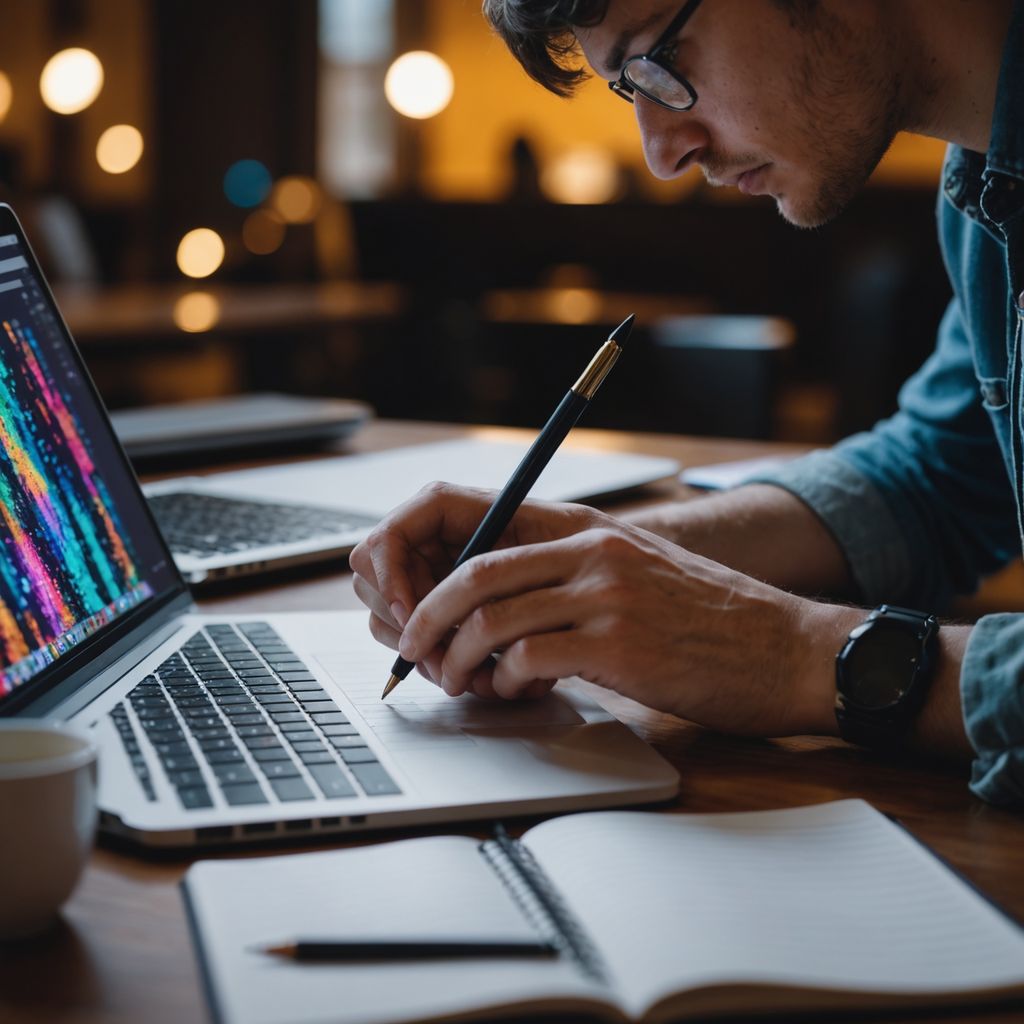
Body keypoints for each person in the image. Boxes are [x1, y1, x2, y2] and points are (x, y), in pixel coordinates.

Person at [350, 0, 1024, 806]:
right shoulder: (981, 191)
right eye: (624, 90)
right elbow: (940, 474)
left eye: (659, 64)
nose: (662, 154)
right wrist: (601, 557)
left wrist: (795, 658)